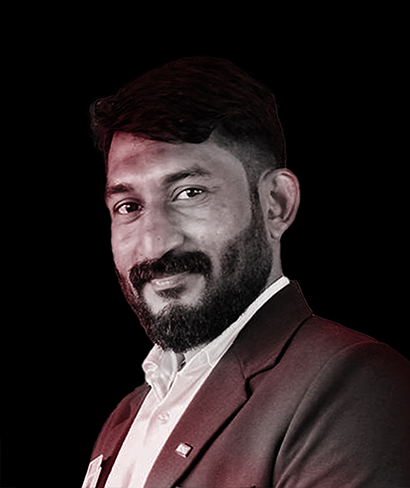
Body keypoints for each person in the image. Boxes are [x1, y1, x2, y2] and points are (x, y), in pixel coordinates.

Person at [82, 57, 410, 488]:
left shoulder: (354, 379)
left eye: (189, 192)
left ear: (276, 204)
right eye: (129, 206)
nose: (154, 243)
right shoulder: (125, 417)